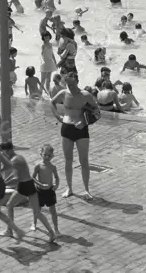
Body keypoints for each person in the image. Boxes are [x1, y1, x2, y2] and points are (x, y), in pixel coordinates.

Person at [49, 71, 98, 199]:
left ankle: (87, 190)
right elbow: (51, 102)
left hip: (82, 130)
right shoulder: (64, 93)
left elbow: (97, 112)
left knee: (84, 160)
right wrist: (58, 116)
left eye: (71, 83)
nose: (69, 86)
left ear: (76, 81)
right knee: (68, 160)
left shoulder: (86, 95)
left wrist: (84, 122)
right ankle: (69, 188)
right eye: (67, 83)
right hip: (67, 128)